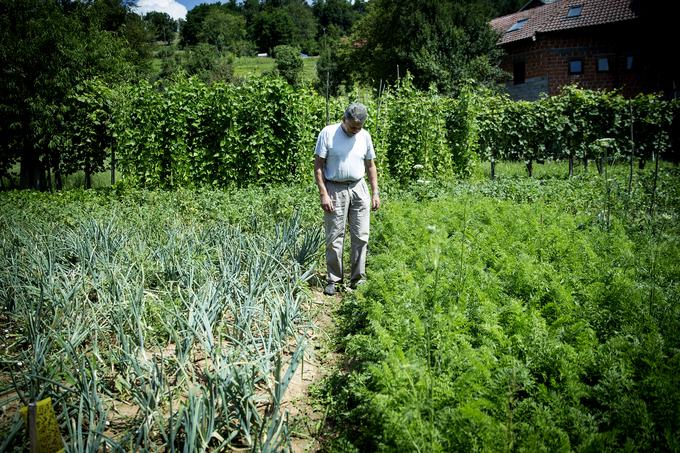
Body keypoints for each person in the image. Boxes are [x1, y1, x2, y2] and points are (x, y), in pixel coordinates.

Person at [314, 102, 380, 296]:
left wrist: (375, 191)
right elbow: (318, 166)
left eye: (359, 127)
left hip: (359, 187)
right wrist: (323, 193)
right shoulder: (328, 133)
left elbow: (370, 165)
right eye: (353, 127)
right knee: (335, 235)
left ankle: (357, 279)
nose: (355, 131)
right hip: (335, 188)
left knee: (361, 235)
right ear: (344, 120)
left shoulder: (364, 136)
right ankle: (334, 279)